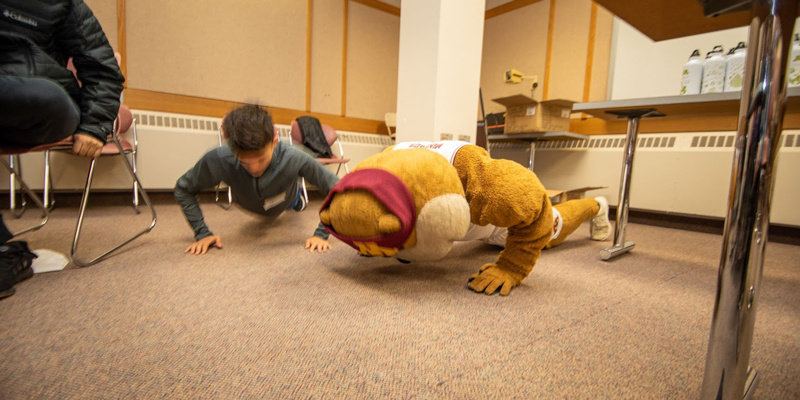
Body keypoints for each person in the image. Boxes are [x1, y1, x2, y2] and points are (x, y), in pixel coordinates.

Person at [0, 0, 124, 298]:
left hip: (40, 98)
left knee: (47, 96)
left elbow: (102, 67)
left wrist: (95, 126)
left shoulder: (63, 4)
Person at [175, 105, 341, 255]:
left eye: (261, 159)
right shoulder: (219, 158)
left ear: (274, 142)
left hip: (285, 196)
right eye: (244, 161)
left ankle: (297, 198)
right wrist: (202, 233)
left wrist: (321, 234)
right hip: (251, 202)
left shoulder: (295, 157)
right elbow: (183, 189)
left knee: (291, 199)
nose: (254, 168)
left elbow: (337, 188)